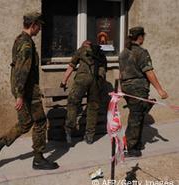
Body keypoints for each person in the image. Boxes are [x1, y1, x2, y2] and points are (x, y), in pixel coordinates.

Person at [0, 12, 59, 170]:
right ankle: (38, 159)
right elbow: (21, 71)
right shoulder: (26, 44)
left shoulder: (19, 39)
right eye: (38, 26)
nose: (39, 29)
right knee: (40, 121)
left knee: (25, 122)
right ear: (33, 25)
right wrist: (20, 95)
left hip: (22, 89)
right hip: (27, 90)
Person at [119, 26, 168, 157]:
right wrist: (160, 90)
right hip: (137, 88)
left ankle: (135, 142)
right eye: (143, 36)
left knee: (137, 113)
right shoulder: (141, 52)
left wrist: (121, 88)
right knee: (136, 116)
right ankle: (131, 147)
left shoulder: (124, 52)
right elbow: (149, 72)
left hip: (127, 87)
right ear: (140, 37)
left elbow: (121, 73)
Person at [60, 40, 107, 144]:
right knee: (93, 107)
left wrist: (64, 81)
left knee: (73, 102)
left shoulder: (81, 50)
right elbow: (104, 68)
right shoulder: (100, 53)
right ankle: (90, 135)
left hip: (82, 79)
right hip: (96, 80)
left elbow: (72, 66)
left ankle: (69, 129)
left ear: (84, 44)